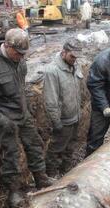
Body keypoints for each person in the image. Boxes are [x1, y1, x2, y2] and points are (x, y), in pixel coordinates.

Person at [0, 29, 53, 208]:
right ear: (8, 46)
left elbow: (21, 88)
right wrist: (2, 121)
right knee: (11, 154)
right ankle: (14, 191)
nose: (21, 56)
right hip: (4, 117)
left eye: (23, 54)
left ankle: (40, 179)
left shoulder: (20, 61)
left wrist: (27, 109)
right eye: (18, 53)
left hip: (22, 113)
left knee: (34, 144)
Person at [43, 39, 84, 178]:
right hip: (63, 120)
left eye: (76, 57)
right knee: (56, 149)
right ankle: (52, 175)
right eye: (72, 56)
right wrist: (56, 122)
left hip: (75, 116)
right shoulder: (52, 71)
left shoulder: (75, 66)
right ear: (63, 53)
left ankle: (66, 170)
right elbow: (51, 100)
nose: (74, 60)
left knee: (71, 146)